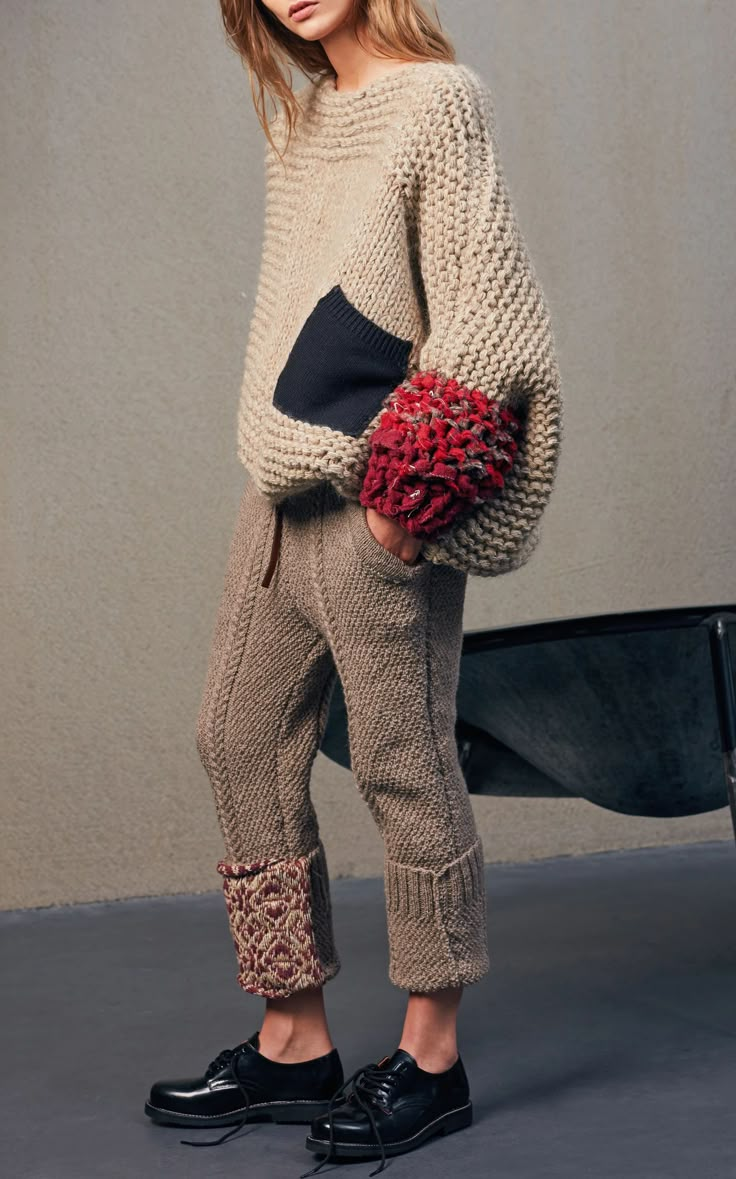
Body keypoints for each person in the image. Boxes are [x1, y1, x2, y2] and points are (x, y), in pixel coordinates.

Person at [144, 0, 563, 1174]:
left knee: (400, 760)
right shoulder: (309, 115)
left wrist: (405, 501)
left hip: (382, 500)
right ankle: (294, 1042)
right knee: (235, 738)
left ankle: (432, 1060)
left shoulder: (439, 100)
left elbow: (484, 310)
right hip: (281, 488)